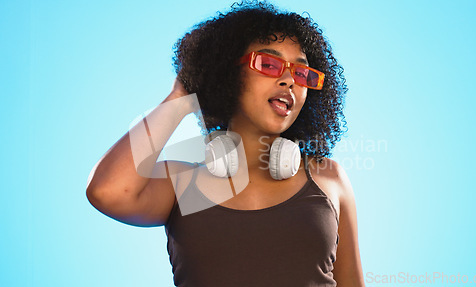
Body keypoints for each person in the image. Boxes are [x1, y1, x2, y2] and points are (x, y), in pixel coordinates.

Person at [86, 1, 364, 286]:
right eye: (269, 64)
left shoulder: (326, 178)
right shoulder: (182, 184)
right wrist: (182, 95)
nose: (288, 81)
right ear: (227, 73)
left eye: (301, 74)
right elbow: (107, 191)